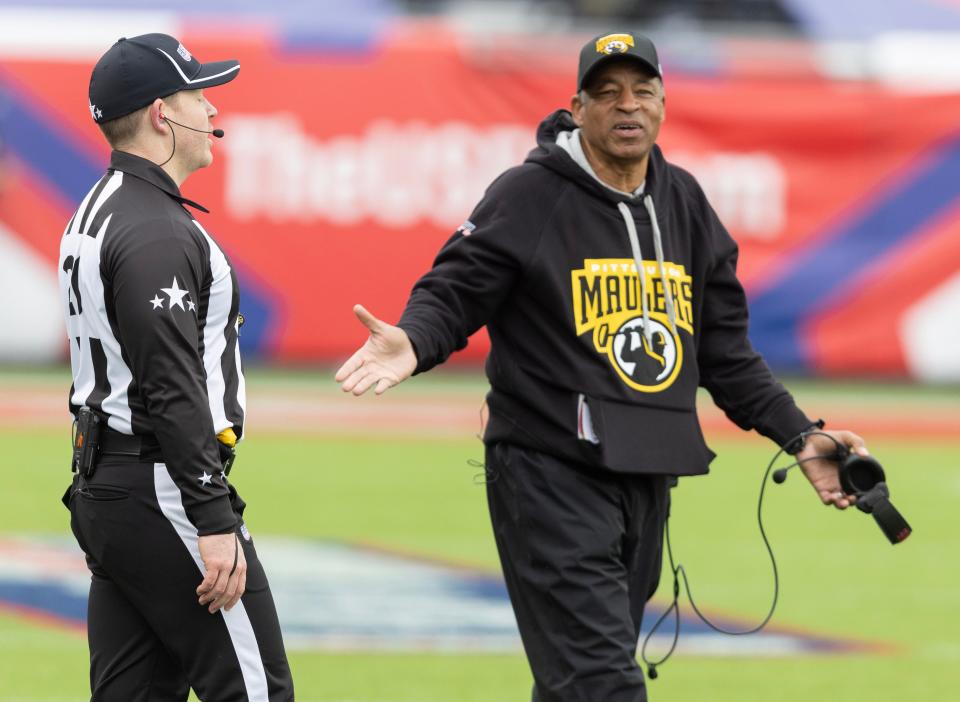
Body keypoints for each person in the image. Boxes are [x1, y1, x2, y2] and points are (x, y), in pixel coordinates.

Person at [336, 30, 871, 701]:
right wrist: (413, 341)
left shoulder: (686, 205)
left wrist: (801, 435)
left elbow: (726, 354)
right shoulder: (529, 194)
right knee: (603, 683)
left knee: (577, 681)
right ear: (577, 107)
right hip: (548, 471)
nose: (627, 106)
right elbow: (455, 290)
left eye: (642, 91)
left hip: (646, 473)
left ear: (663, 104)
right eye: (607, 93)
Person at [59, 34, 293, 701]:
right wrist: (213, 519)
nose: (211, 106)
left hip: (108, 483)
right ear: (164, 113)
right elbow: (170, 384)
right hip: (163, 488)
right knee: (256, 692)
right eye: (198, 92)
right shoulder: (156, 229)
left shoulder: (100, 209)